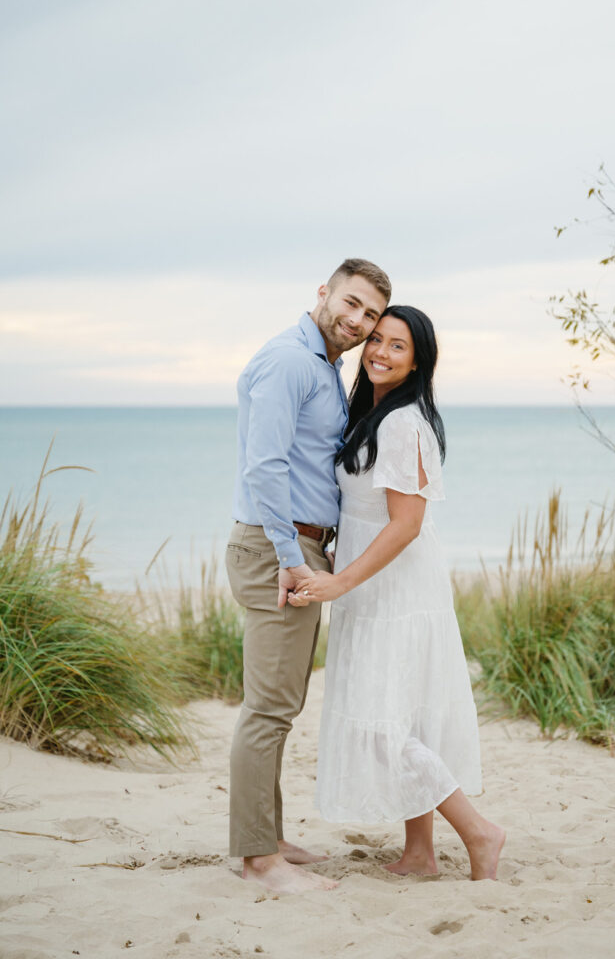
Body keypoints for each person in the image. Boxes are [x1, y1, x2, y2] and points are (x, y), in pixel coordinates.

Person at [294, 305, 505, 881]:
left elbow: (406, 523)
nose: (380, 353)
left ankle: (480, 833)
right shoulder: (377, 414)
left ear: (418, 363)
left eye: (398, 347)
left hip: (396, 593)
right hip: (375, 584)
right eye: (377, 341)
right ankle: (419, 854)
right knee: (401, 718)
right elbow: (370, 510)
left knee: (383, 728)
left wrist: (338, 579)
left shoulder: (402, 422)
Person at [226, 259, 391, 895]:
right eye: (350, 303)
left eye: (370, 315)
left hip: (298, 547)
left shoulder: (323, 365)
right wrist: (291, 558)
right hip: (280, 551)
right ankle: (257, 861)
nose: (356, 321)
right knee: (268, 710)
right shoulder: (292, 361)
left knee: (279, 706)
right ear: (323, 293)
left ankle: (267, 837)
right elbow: (263, 466)